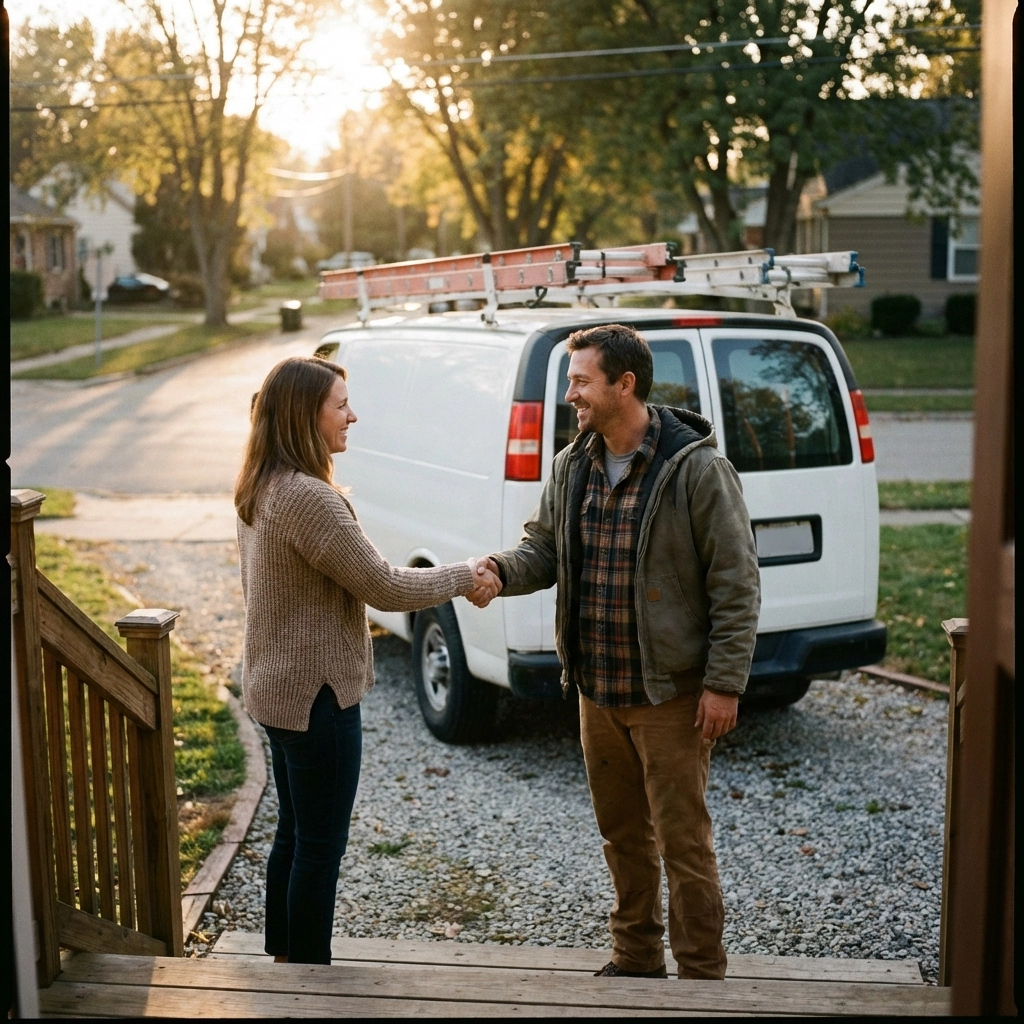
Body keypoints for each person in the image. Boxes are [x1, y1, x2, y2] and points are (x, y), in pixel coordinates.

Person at [473, 325, 760, 980]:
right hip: (597, 693)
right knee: (623, 837)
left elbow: (736, 582)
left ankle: (701, 972)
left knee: (684, 842)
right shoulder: (573, 464)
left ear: (623, 384)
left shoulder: (697, 469)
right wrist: (498, 570)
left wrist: (724, 682)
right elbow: (543, 549)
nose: (569, 394)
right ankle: (635, 958)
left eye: (580, 381)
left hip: (672, 695)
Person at [234, 356, 500, 965]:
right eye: (340, 405)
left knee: (294, 833)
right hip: (316, 697)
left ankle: (284, 962)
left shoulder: (262, 482)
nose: (353, 415)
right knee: (320, 844)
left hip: (279, 690)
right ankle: (304, 976)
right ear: (307, 415)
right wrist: (463, 575)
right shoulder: (308, 498)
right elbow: (385, 588)